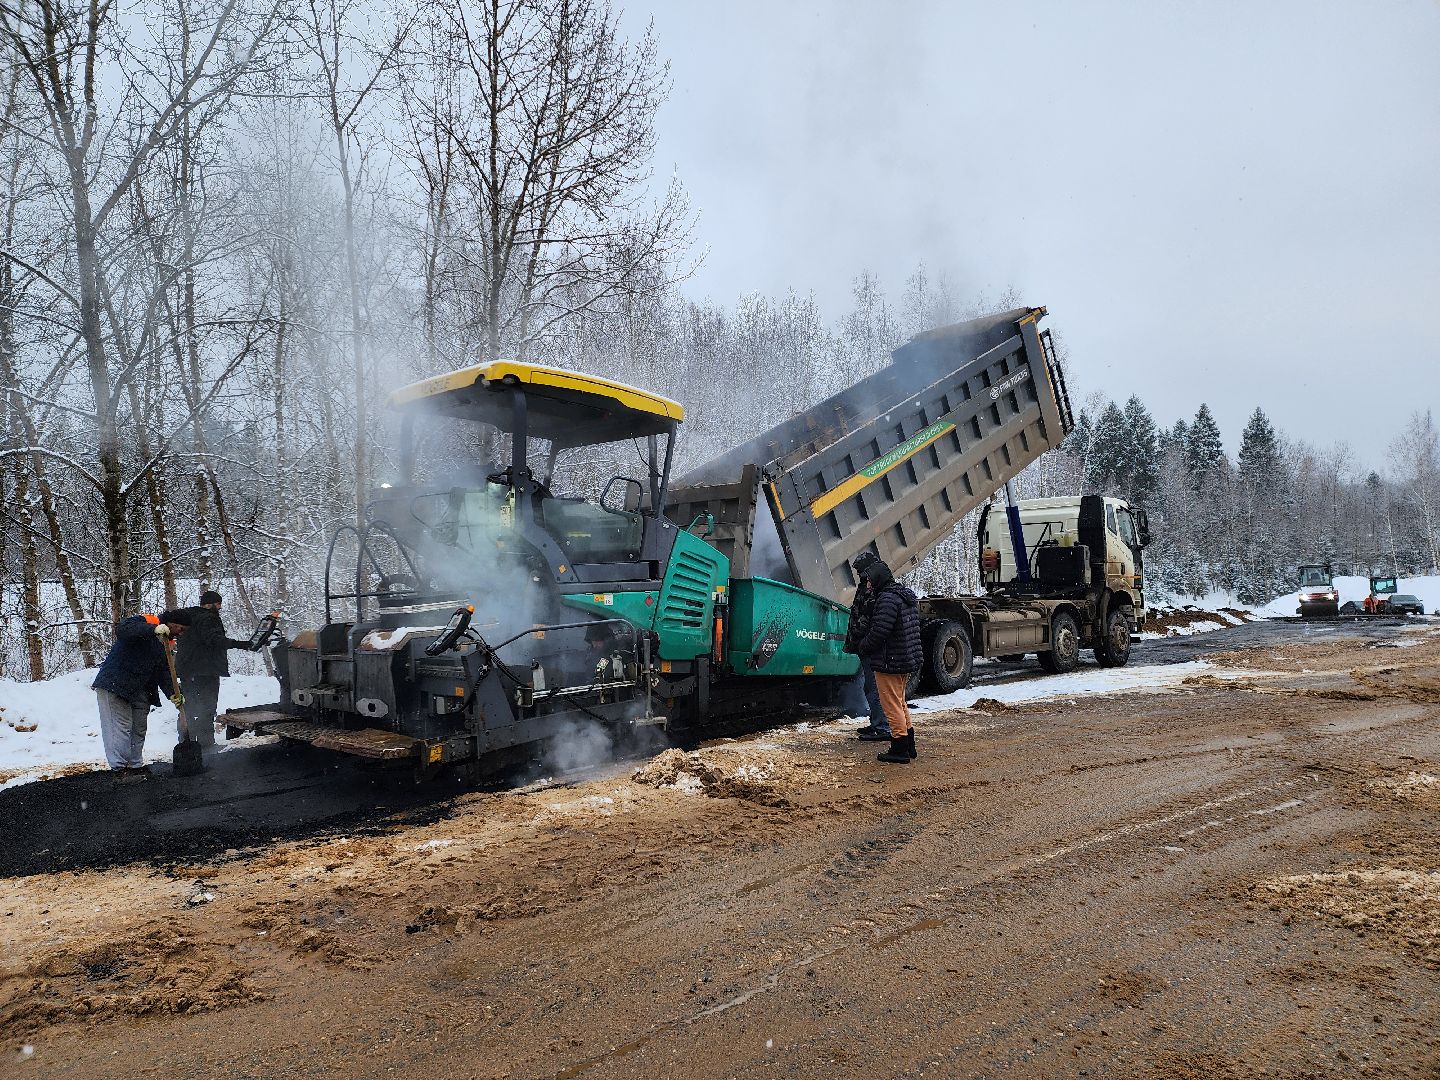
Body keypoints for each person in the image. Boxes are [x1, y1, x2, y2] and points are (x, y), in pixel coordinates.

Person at [92, 611, 186, 781]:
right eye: (180, 628)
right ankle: (119, 770)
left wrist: (174, 693)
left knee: (138, 728)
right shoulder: (148, 622)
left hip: (140, 689)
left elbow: (164, 671)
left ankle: (135, 767)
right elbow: (123, 629)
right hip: (116, 683)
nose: (181, 632)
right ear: (171, 623)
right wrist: (154, 629)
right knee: (119, 727)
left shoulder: (166, 643)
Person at [169, 590, 259, 751]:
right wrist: (240, 644)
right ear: (211, 604)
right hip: (205, 671)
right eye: (218, 605)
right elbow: (213, 639)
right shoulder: (209, 618)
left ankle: (185, 744)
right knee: (206, 707)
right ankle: (206, 745)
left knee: (188, 707)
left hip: (187, 671)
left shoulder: (187, 617)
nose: (220, 608)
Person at [853, 557, 922, 764]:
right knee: (900, 703)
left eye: (869, 581)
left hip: (890, 660)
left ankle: (899, 749)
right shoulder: (902, 596)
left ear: (878, 579)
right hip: (904, 659)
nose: (867, 584)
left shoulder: (886, 599)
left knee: (891, 705)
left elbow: (879, 632)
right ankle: (908, 745)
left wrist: (863, 645)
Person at [843, 551, 890, 741]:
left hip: (870, 647)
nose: (859, 574)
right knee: (870, 687)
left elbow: (868, 618)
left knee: (875, 688)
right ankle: (877, 723)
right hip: (865, 646)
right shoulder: (867, 585)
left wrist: (862, 641)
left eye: (860, 570)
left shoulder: (873, 588)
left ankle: (882, 727)